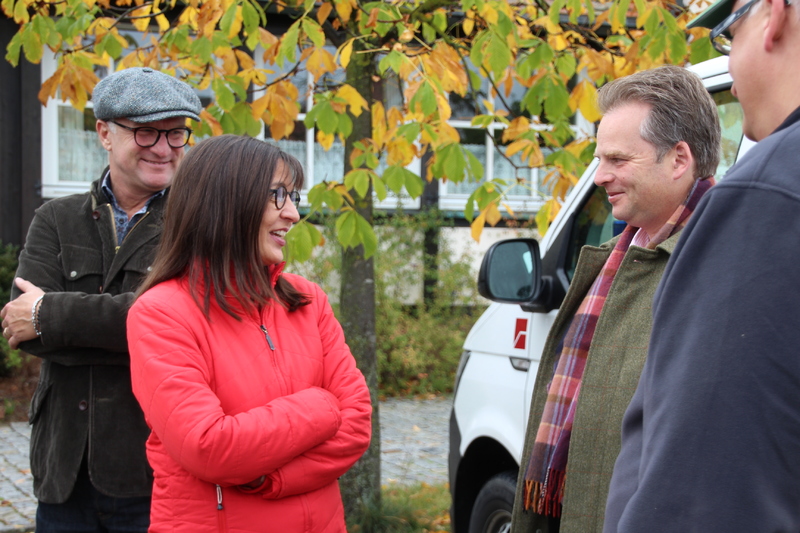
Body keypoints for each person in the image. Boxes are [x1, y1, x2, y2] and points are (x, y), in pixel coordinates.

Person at [604, 0, 800, 531]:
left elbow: (704, 486)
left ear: (774, 15)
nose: (731, 76)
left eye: (729, 34)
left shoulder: (766, 197)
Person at [510, 65, 722, 533]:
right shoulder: (612, 258)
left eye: (618, 160)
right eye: (599, 159)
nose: (600, 176)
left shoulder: (722, 263)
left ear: (679, 159)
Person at [125, 134, 372, 532]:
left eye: (294, 196)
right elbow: (210, 447)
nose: (292, 213)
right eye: (277, 194)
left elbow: (357, 425)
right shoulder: (161, 314)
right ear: (224, 201)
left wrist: (272, 478)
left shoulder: (307, 301)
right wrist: (321, 407)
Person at [0, 67, 201, 532]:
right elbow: (21, 328)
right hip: (62, 468)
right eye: (147, 132)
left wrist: (52, 314)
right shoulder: (55, 218)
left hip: (152, 467)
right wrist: (132, 326)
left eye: (176, 134)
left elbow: (186, 324)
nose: (164, 148)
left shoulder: (196, 225)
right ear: (104, 134)